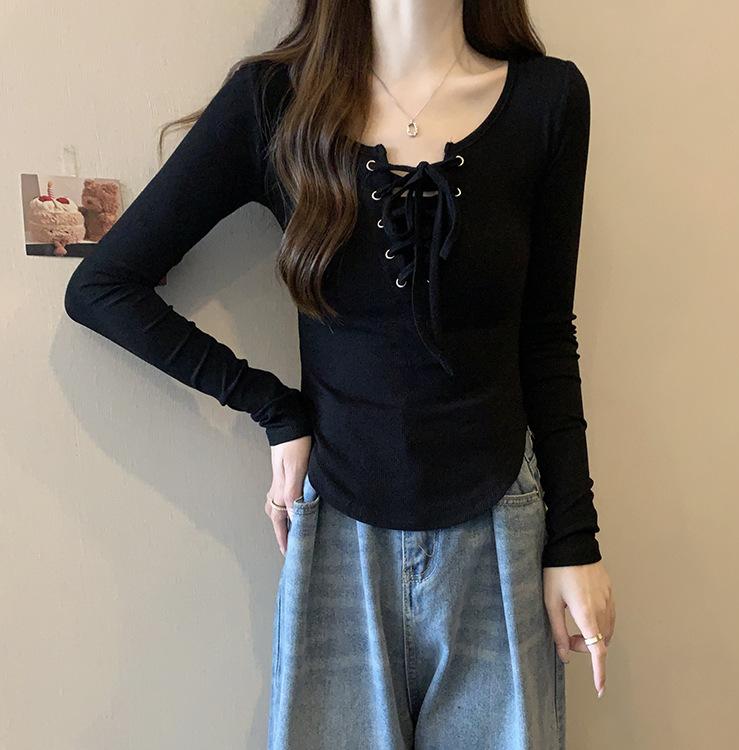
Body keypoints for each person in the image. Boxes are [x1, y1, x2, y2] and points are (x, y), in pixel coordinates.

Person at [64, 1, 616, 747]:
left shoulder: (549, 101)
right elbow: (104, 289)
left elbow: (546, 335)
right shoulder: (275, 103)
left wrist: (576, 540)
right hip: (338, 538)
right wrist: (274, 408)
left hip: (501, 533)